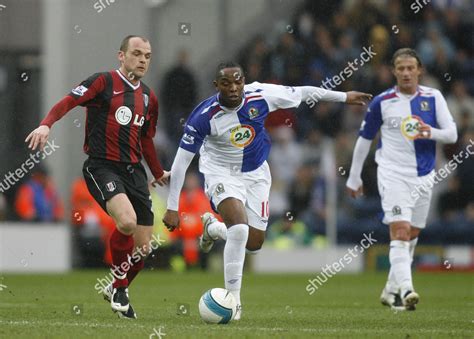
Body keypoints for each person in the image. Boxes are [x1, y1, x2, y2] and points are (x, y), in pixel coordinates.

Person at [162, 61, 372, 320]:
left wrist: (344, 97)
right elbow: (181, 162)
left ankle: (213, 229)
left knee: (254, 243)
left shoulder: (261, 95)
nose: (233, 87)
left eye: (237, 81)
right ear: (216, 86)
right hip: (221, 173)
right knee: (239, 228)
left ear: (244, 80)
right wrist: (173, 207)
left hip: (257, 174)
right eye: (226, 83)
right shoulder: (203, 116)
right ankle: (233, 302)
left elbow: (303, 92)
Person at [25, 35, 169, 319]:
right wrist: (46, 125)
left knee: (143, 248)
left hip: (134, 171)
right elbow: (69, 100)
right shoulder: (103, 82)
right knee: (126, 222)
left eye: (147, 56)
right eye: (137, 53)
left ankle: (118, 286)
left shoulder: (149, 97)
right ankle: (120, 289)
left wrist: (157, 171)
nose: (142, 60)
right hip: (102, 166)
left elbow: (147, 139)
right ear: (121, 56)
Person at [346, 48, 457, 311]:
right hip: (392, 174)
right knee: (400, 231)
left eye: (411, 68)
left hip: (424, 176)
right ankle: (406, 290)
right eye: (401, 68)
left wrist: (428, 132)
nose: (406, 73)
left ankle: (390, 290)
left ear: (420, 70)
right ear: (394, 71)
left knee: (413, 235)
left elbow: (452, 135)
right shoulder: (382, 102)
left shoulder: (434, 97)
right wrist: (353, 176)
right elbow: (364, 141)